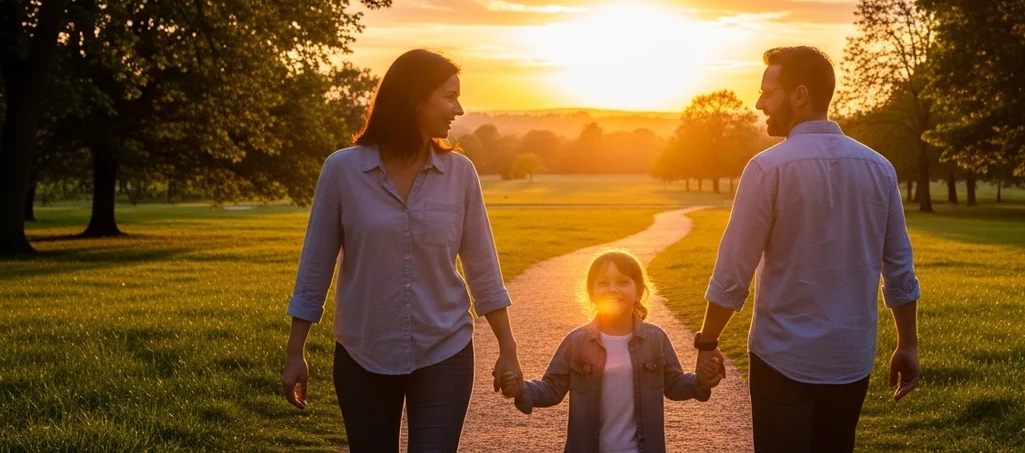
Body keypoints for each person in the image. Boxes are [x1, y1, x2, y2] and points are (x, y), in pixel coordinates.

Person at [281, 49, 523, 452]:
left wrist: (508, 349)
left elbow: (483, 267)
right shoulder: (342, 171)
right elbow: (315, 267)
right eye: (449, 96)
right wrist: (295, 352)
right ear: (415, 98)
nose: (458, 109)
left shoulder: (460, 174)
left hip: (445, 346)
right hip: (363, 351)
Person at [693, 46, 921, 452]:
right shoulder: (879, 168)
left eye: (768, 92)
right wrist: (907, 345)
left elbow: (733, 271)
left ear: (799, 95)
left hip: (782, 358)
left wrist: (708, 342)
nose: (760, 102)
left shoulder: (767, 168)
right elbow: (899, 268)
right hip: (850, 360)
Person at [499, 250, 723, 453]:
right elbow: (552, 388)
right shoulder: (576, 341)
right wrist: (521, 389)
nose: (613, 289)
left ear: (639, 292)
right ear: (592, 293)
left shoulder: (656, 338)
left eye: (623, 282)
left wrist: (700, 382)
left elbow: (673, 385)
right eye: (603, 283)